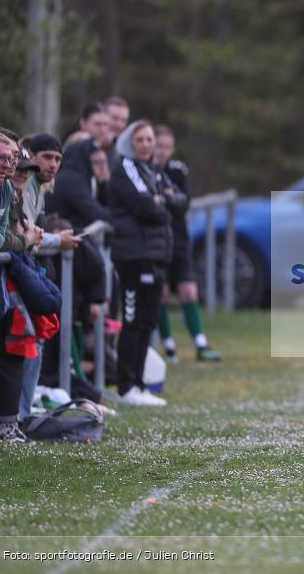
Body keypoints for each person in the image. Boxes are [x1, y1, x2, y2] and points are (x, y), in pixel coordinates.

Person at [108, 120, 184, 406]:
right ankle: (126, 387)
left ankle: (139, 384)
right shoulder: (125, 168)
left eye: (149, 139)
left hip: (156, 256)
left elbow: (181, 201)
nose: (145, 145)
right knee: (133, 321)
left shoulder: (154, 170)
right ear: (129, 142)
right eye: (139, 140)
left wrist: (163, 202)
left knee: (148, 321)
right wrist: (161, 204)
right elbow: (147, 207)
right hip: (134, 257)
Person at [153, 125, 223, 363]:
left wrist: (167, 200)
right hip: (157, 241)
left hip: (179, 240)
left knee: (189, 291)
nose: (162, 151)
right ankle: (169, 346)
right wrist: (168, 200)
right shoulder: (145, 171)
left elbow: (183, 203)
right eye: (159, 146)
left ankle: (201, 343)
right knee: (161, 293)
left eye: (167, 147)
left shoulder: (178, 170)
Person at [0, 130, 30, 442]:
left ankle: (9, 425)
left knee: (11, 349)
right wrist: (23, 240)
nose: (9, 165)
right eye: (2, 158)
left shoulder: (3, 188)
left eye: (12, 159)